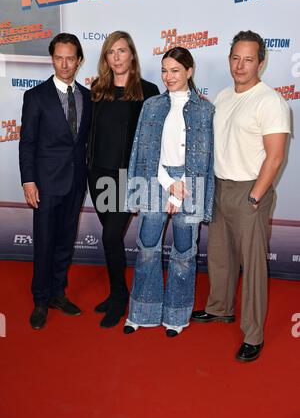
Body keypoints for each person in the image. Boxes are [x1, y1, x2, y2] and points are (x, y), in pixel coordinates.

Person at [191, 30, 291, 361]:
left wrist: (255, 197)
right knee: (220, 257)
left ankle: (254, 334)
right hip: (220, 187)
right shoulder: (222, 96)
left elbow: (275, 157)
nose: (240, 65)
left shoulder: (271, 101)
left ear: (261, 63)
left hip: (251, 192)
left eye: (248, 59)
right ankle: (220, 308)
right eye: (235, 58)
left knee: (253, 268)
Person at [123, 46, 215, 337]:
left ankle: (176, 315)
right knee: (147, 248)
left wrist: (179, 192)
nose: (168, 76)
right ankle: (141, 311)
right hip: (155, 180)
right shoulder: (151, 105)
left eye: (175, 70)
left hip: (190, 185)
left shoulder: (205, 109)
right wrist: (166, 184)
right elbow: (144, 152)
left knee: (184, 252)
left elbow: (204, 158)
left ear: (189, 71)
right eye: (164, 70)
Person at [19, 33, 92, 329]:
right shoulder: (35, 96)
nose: (64, 64)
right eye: (59, 57)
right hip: (46, 184)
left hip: (76, 182)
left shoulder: (87, 96)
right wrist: (29, 181)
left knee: (65, 242)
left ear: (78, 61)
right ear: (52, 59)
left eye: (70, 58)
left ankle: (58, 293)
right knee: (45, 242)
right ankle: (40, 299)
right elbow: (27, 143)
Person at [87, 31, 159, 328]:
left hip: (126, 178)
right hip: (98, 174)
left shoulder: (148, 90)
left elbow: (160, 130)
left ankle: (118, 298)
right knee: (111, 239)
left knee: (110, 236)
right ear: (106, 58)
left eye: (122, 51)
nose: (116, 57)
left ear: (132, 55)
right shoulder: (97, 88)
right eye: (111, 52)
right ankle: (117, 290)